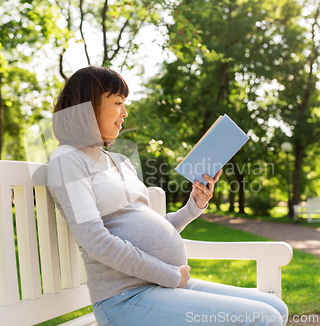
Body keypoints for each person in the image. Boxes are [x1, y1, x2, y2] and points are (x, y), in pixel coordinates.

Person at [47, 66, 288, 326]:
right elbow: (96, 242)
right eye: (118, 103)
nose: (124, 113)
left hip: (158, 287)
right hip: (124, 298)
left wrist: (194, 205)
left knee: (275, 307)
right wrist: (171, 276)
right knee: (264, 318)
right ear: (89, 104)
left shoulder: (117, 161)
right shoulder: (67, 160)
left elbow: (155, 226)